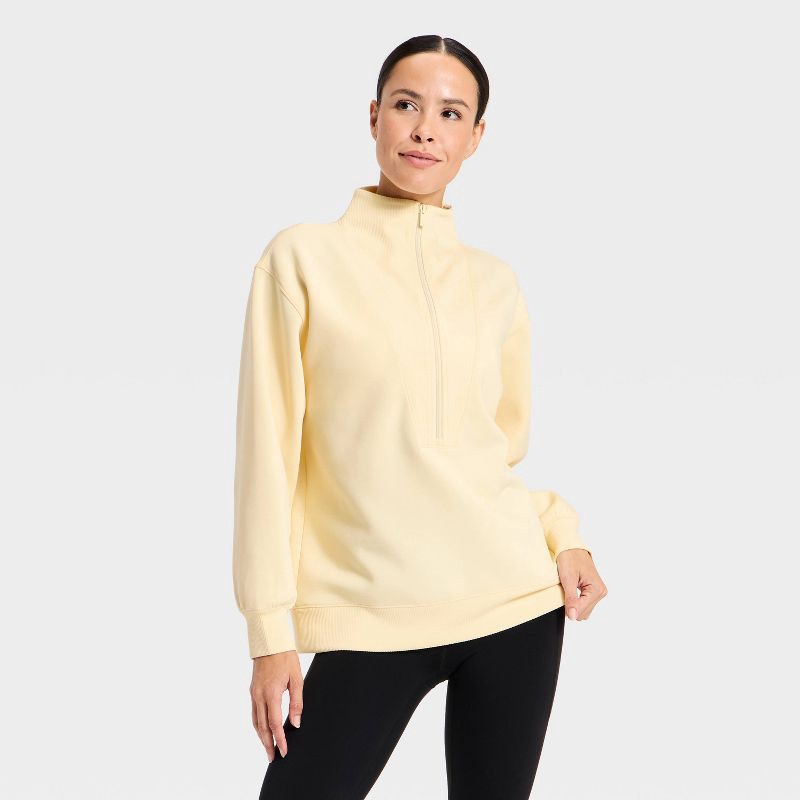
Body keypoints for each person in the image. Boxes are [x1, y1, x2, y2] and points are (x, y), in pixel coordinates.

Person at [232, 34, 608, 800]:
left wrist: (563, 534)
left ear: (476, 136)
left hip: (513, 605)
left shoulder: (496, 284)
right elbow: (266, 459)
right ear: (374, 117)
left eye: (450, 112)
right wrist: (269, 636)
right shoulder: (300, 260)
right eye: (407, 105)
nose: (425, 129)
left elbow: (490, 454)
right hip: (369, 613)